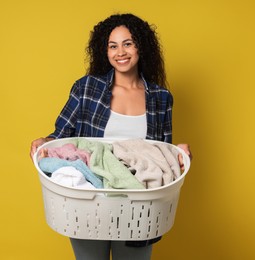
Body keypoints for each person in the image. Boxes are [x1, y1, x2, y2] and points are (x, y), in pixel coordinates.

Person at [30, 13, 191, 260]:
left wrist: (178, 153)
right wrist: (44, 142)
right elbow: (61, 137)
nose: (120, 52)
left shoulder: (161, 98)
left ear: (141, 46)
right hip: (89, 200)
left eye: (128, 43)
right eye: (112, 46)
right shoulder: (87, 88)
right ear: (104, 51)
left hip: (138, 205)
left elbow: (160, 157)